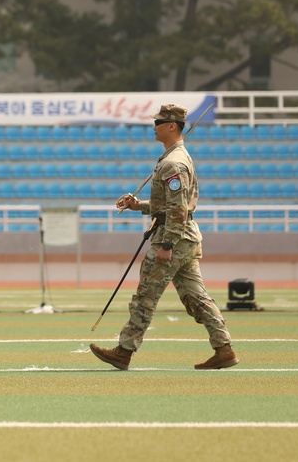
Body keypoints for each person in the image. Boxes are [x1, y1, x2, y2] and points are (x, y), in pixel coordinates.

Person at [90, 103, 239, 371]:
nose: (154, 126)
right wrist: (139, 206)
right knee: (196, 297)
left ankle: (123, 351)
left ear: (172, 126)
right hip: (185, 238)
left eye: (159, 122)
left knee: (146, 295)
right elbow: (168, 205)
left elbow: (178, 208)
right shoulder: (174, 158)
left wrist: (167, 244)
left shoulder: (174, 162)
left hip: (173, 239)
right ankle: (224, 348)